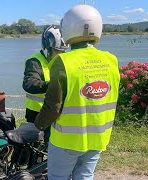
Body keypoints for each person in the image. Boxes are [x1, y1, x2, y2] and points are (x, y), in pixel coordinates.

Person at [34, 4, 120, 180]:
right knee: (85, 177)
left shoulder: (63, 61)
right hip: (98, 138)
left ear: (68, 29)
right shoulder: (111, 60)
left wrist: (38, 125)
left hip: (66, 141)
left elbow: (53, 106)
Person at [23, 25, 67, 144]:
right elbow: (29, 83)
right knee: (35, 149)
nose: (60, 55)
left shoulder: (63, 61)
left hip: (55, 112)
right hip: (36, 114)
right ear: (47, 48)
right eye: (57, 51)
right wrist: (53, 85)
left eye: (63, 51)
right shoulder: (34, 62)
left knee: (54, 147)